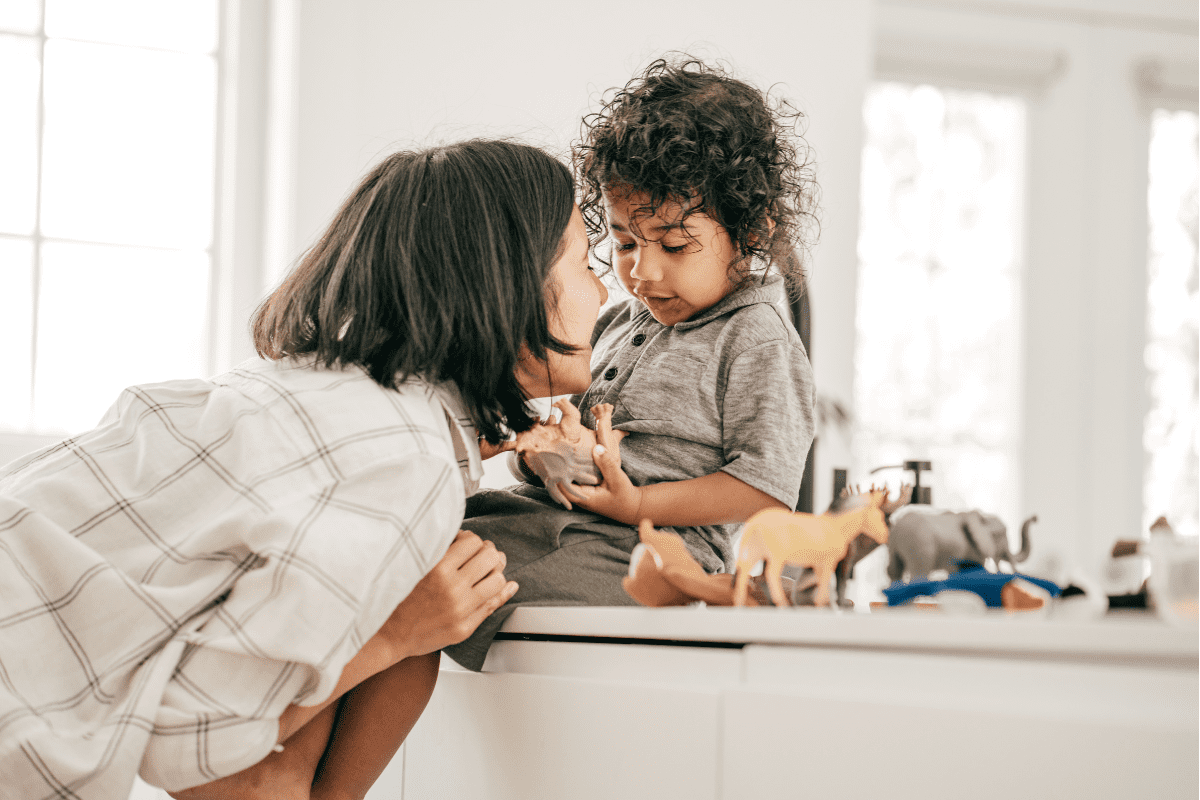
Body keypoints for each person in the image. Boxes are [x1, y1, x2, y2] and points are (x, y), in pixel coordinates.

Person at [0, 139, 608, 800]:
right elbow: (191, 745)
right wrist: (396, 634)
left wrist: (508, 435)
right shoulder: (407, 468)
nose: (605, 288)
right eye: (582, 261)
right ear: (509, 286)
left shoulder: (321, 395)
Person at [442, 56, 819, 672]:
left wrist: (635, 506)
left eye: (673, 246)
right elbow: (586, 444)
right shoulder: (622, 320)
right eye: (623, 243)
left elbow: (764, 493)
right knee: (414, 546)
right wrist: (547, 446)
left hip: (648, 550)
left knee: (457, 585)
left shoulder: (758, 337)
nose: (641, 272)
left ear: (751, 230)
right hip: (550, 517)